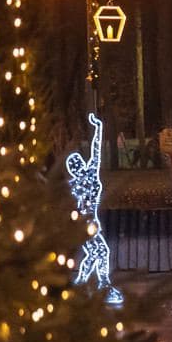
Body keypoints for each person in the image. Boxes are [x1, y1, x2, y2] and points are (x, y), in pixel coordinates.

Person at [66, 113, 123, 304]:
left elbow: (96, 150)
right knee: (101, 252)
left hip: (90, 223)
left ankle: (82, 283)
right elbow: (96, 152)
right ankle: (103, 284)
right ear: (74, 168)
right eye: (75, 164)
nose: (78, 165)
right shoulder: (80, 181)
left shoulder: (85, 177)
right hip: (85, 225)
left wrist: (98, 128)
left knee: (94, 254)